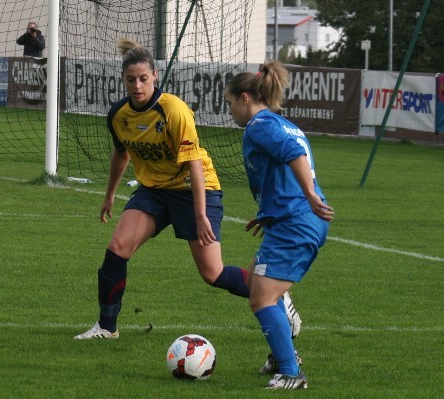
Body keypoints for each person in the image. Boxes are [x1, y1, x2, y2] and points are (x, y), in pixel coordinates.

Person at [73, 40, 302, 358]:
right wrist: (109, 195)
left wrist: (200, 215)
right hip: (154, 191)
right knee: (117, 249)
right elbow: (121, 154)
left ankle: (275, 295)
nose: (137, 85)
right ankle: (106, 327)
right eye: (130, 80)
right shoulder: (119, 115)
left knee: (213, 273)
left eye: (143, 78)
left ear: (155, 76)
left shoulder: (175, 111)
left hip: (198, 189)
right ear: (122, 80)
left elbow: (194, 165)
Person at [224, 61, 334, 390]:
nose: (229, 111)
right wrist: (269, 211)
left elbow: (295, 154)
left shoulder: (259, 125)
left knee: (262, 298)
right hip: (292, 218)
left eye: (230, 103)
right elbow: (284, 165)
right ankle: (279, 353)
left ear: (245, 98)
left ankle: (290, 371)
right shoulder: (277, 122)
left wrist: (310, 195)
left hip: (297, 221)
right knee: (257, 276)